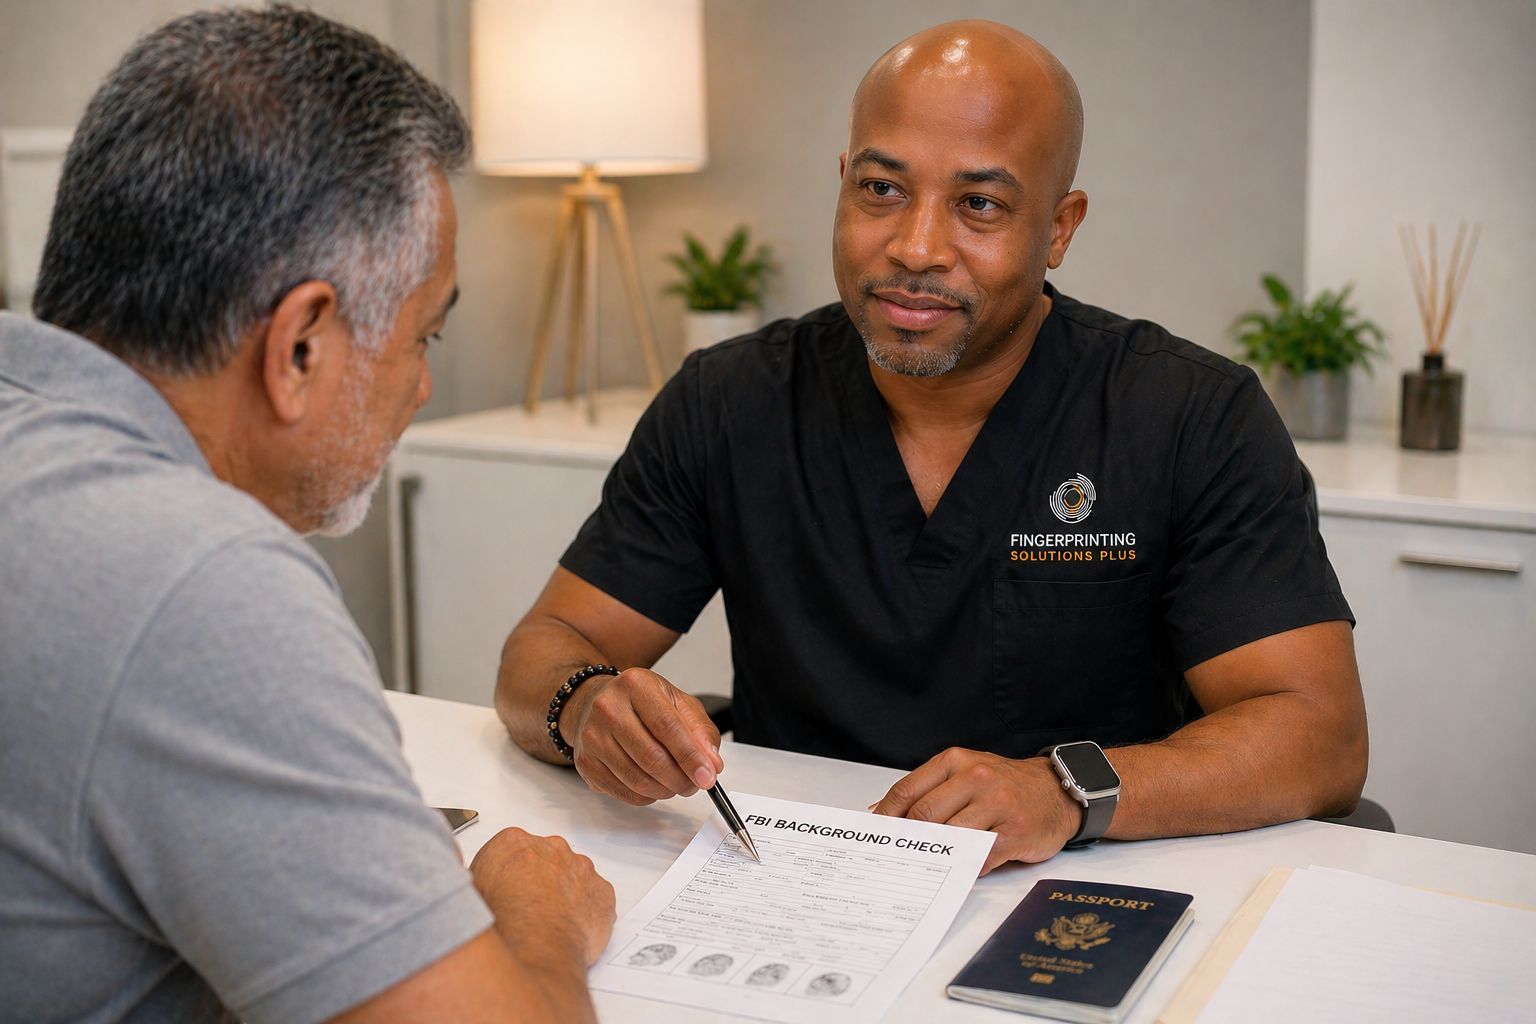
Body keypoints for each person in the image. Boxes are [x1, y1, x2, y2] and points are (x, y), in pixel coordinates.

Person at [496, 19, 1368, 875]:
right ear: (842, 184)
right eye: (882, 189)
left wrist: (1064, 793)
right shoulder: (729, 401)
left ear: (1059, 228)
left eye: (979, 204)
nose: (915, 248)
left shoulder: (1189, 416)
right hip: (788, 876)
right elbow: (547, 646)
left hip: (1083, 883)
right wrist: (587, 704)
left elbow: (1320, 736)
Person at [0, 8, 612, 1022]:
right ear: (299, 348)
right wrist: (538, 916)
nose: (422, 388)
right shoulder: (202, 580)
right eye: (424, 337)